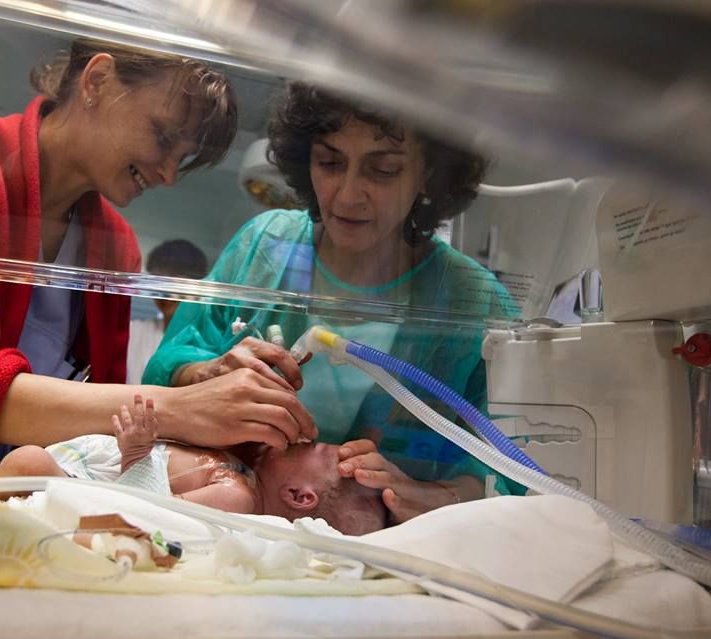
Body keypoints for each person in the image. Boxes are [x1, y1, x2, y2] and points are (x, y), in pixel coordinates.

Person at [0, 39, 316, 472]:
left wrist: (200, 381)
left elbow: (99, 432)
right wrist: (177, 409)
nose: (169, 174)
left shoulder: (115, 248)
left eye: (183, 158)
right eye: (164, 137)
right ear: (98, 81)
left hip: (23, 497)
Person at [144, 82, 523, 524]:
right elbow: (162, 372)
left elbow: (517, 472)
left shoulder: (470, 301)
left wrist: (434, 495)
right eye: (329, 162)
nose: (347, 195)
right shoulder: (265, 247)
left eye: (383, 170)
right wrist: (208, 373)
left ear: (430, 174)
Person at [0, 395, 387, 536]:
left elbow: (145, 516)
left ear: (299, 496)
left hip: (90, 491)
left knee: (28, 460)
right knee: (29, 462)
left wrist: (136, 455)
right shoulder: (242, 472)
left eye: (316, 449)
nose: (304, 438)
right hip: (88, 473)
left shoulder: (238, 496)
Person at [127, 239, 208, 384]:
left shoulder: (206, 339)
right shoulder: (133, 331)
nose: (167, 293)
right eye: (160, 281)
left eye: (176, 282)